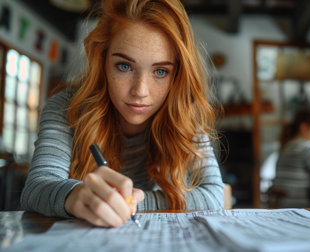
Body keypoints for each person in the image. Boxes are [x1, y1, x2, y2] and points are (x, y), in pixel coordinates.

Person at [20, 0, 224, 228]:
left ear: (177, 75)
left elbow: (214, 197)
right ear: (102, 60)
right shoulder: (66, 108)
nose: (140, 91)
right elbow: (36, 188)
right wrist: (75, 195)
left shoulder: (184, 116)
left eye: (160, 71)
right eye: (124, 66)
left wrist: (129, 203)